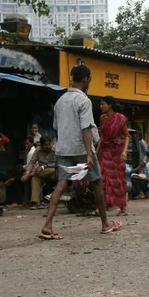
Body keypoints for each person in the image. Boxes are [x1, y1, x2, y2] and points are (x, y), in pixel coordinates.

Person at [41, 64, 122, 239]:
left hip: (64, 149)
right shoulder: (83, 100)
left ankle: (47, 225)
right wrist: (88, 154)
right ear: (86, 79)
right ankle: (105, 223)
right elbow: (86, 129)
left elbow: (56, 126)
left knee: (61, 184)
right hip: (80, 148)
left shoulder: (60, 101)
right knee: (97, 183)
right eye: (90, 78)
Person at [96, 96, 130, 216]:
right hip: (105, 151)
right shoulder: (102, 118)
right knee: (103, 178)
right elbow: (102, 137)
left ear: (109, 105)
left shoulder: (120, 118)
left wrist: (124, 151)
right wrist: (96, 152)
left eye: (102, 104)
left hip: (117, 152)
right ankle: (103, 205)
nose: (101, 106)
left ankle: (122, 207)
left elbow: (126, 136)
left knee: (118, 179)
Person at [21, 137, 57, 210]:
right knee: (35, 178)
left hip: (54, 171)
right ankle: (35, 202)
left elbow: (56, 163)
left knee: (50, 170)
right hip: (41, 173)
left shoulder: (55, 150)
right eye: (45, 145)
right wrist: (27, 172)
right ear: (41, 145)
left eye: (49, 144)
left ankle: (32, 174)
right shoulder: (38, 150)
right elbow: (31, 162)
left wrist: (42, 167)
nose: (48, 147)